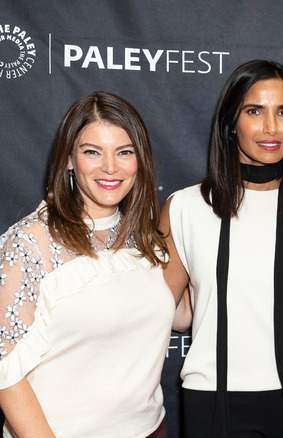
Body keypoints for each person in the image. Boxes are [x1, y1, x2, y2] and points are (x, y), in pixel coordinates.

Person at [160, 59, 283, 437]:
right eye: (254, 111)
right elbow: (154, 313)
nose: (271, 127)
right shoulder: (184, 208)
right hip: (213, 402)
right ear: (231, 122)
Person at [0, 91, 176, 437]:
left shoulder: (144, 237)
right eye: (92, 152)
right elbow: (5, 370)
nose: (110, 167)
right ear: (68, 159)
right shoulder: (31, 242)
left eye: (124, 152)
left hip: (151, 429)